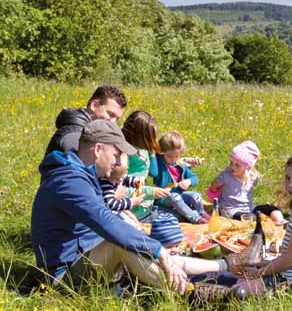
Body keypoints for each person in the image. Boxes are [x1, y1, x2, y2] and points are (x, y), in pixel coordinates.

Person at [31, 119, 222, 294]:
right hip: (61, 278)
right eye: (116, 154)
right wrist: (157, 249)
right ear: (97, 149)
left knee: (144, 247)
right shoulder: (69, 181)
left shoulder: (85, 173)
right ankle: (192, 293)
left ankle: (225, 267)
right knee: (123, 245)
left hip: (88, 255)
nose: (117, 162)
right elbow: (106, 223)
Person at [224, 153, 292, 296]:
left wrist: (258, 273)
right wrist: (264, 265)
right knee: (237, 273)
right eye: (288, 178)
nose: (290, 185)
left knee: (237, 287)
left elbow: (289, 261)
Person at [207, 140, 286, 224]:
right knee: (252, 217)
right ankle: (263, 224)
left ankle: (280, 221)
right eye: (231, 162)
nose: (232, 166)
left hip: (249, 208)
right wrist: (216, 196)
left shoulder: (252, 177)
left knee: (272, 208)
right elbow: (213, 185)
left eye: (237, 165)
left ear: (247, 167)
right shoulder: (226, 176)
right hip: (230, 210)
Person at [45, 85, 127, 155]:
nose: (113, 123)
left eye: (117, 119)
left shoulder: (89, 132)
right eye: (110, 114)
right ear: (94, 105)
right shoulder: (74, 136)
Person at [150, 130, 208, 224]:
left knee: (195, 196)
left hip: (180, 195)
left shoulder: (180, 165)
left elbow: (194, 178)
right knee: (175, 197)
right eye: (169, 156)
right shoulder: (159, 163)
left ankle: (201, 213)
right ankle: (197, 220)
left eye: (176, 156)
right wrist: (153, 154)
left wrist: (188, 181)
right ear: (162, 153)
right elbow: (153, 172)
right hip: (163, 198)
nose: (173, 159)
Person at [121, 110, 169, 221]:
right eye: (150, 138)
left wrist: (152, 153)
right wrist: (150, 191)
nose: (153, 141)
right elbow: (120, 190)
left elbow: (153, 172)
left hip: (147, 208)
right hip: (134, 214)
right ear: (139, 136)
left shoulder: (141, 148)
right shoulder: (124, 154)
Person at [98, 152, 144, 227]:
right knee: (130, 225)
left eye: (122, 177)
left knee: (133, 222)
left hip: (120, 208)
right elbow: (111, 204)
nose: (120, 181)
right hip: (111, 212)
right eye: (116, 179)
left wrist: (136, 183)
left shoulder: (117, 176)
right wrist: (131, 202)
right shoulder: (106, 183)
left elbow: (129, 179)